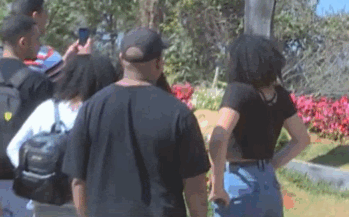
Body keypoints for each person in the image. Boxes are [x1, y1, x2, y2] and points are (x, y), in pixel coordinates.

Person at [61, 27, 210, 217]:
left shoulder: (91, 108)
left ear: (121, 59)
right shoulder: (178, 113)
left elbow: (77, 180)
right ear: (159, 63)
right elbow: (195, 186)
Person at [208, 34, 310, 217]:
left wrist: (217, 185)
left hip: (238, 181)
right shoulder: (280, 95)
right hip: (269, 184)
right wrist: (271, 165)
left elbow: (218, 137)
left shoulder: (238, 91)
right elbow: (302, 139)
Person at [7, 52, 117, 216]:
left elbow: (13, 148)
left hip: (44, 199)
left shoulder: (47, 107)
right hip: (84, 203)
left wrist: (36, 174)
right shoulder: (102, 113)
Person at [0, 14, 56, 217]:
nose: (40, 45)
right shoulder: (37, 83)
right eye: (37, 39)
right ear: (23, 42)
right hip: (22, 182)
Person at [10, 0, 75, 83]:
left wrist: (64, 60)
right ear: (35, 16)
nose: (46, 17)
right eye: (45, 13)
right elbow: (63, 88)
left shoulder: (5, 54)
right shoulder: (47, 57)